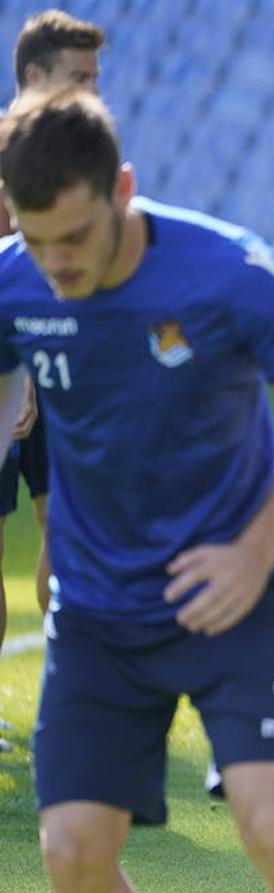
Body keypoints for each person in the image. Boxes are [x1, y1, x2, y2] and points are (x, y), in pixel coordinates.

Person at [0, 90, 274, 893]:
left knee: (273, 827)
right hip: (97, 614)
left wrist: (254, 553)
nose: (56, 262)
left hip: (236, 598)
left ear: (122, 190)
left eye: (77, 235)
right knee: (72, 853)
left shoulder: (228, 273)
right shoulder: (13, 286)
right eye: (34, 236)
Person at [0, 9, 104, 652]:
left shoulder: (95, 156)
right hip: (13, 365)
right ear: (34, 74)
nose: (92, 90)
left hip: (66, 365)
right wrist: (16, 370)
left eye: (95, 77)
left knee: (67, 529)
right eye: (79, 76)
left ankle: (74, 687)